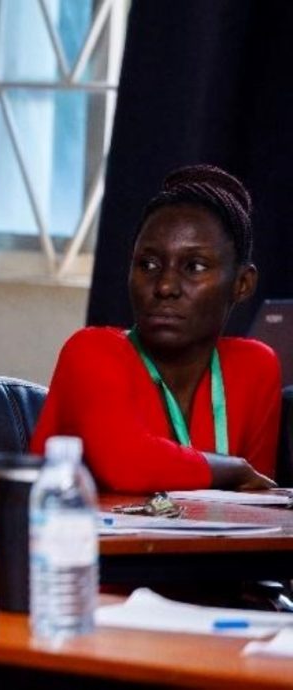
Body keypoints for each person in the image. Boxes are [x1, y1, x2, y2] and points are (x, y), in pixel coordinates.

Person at [31, 164, 279, 494]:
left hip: (204, 547)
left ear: (242, 284)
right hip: (74, 544)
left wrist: (238, 477)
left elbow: (259, 507)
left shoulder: (255, 367)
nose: (164, 286)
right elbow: (126, 464)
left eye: (194, 266)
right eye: (148, 264)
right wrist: (234, 469)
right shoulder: (91, 351)